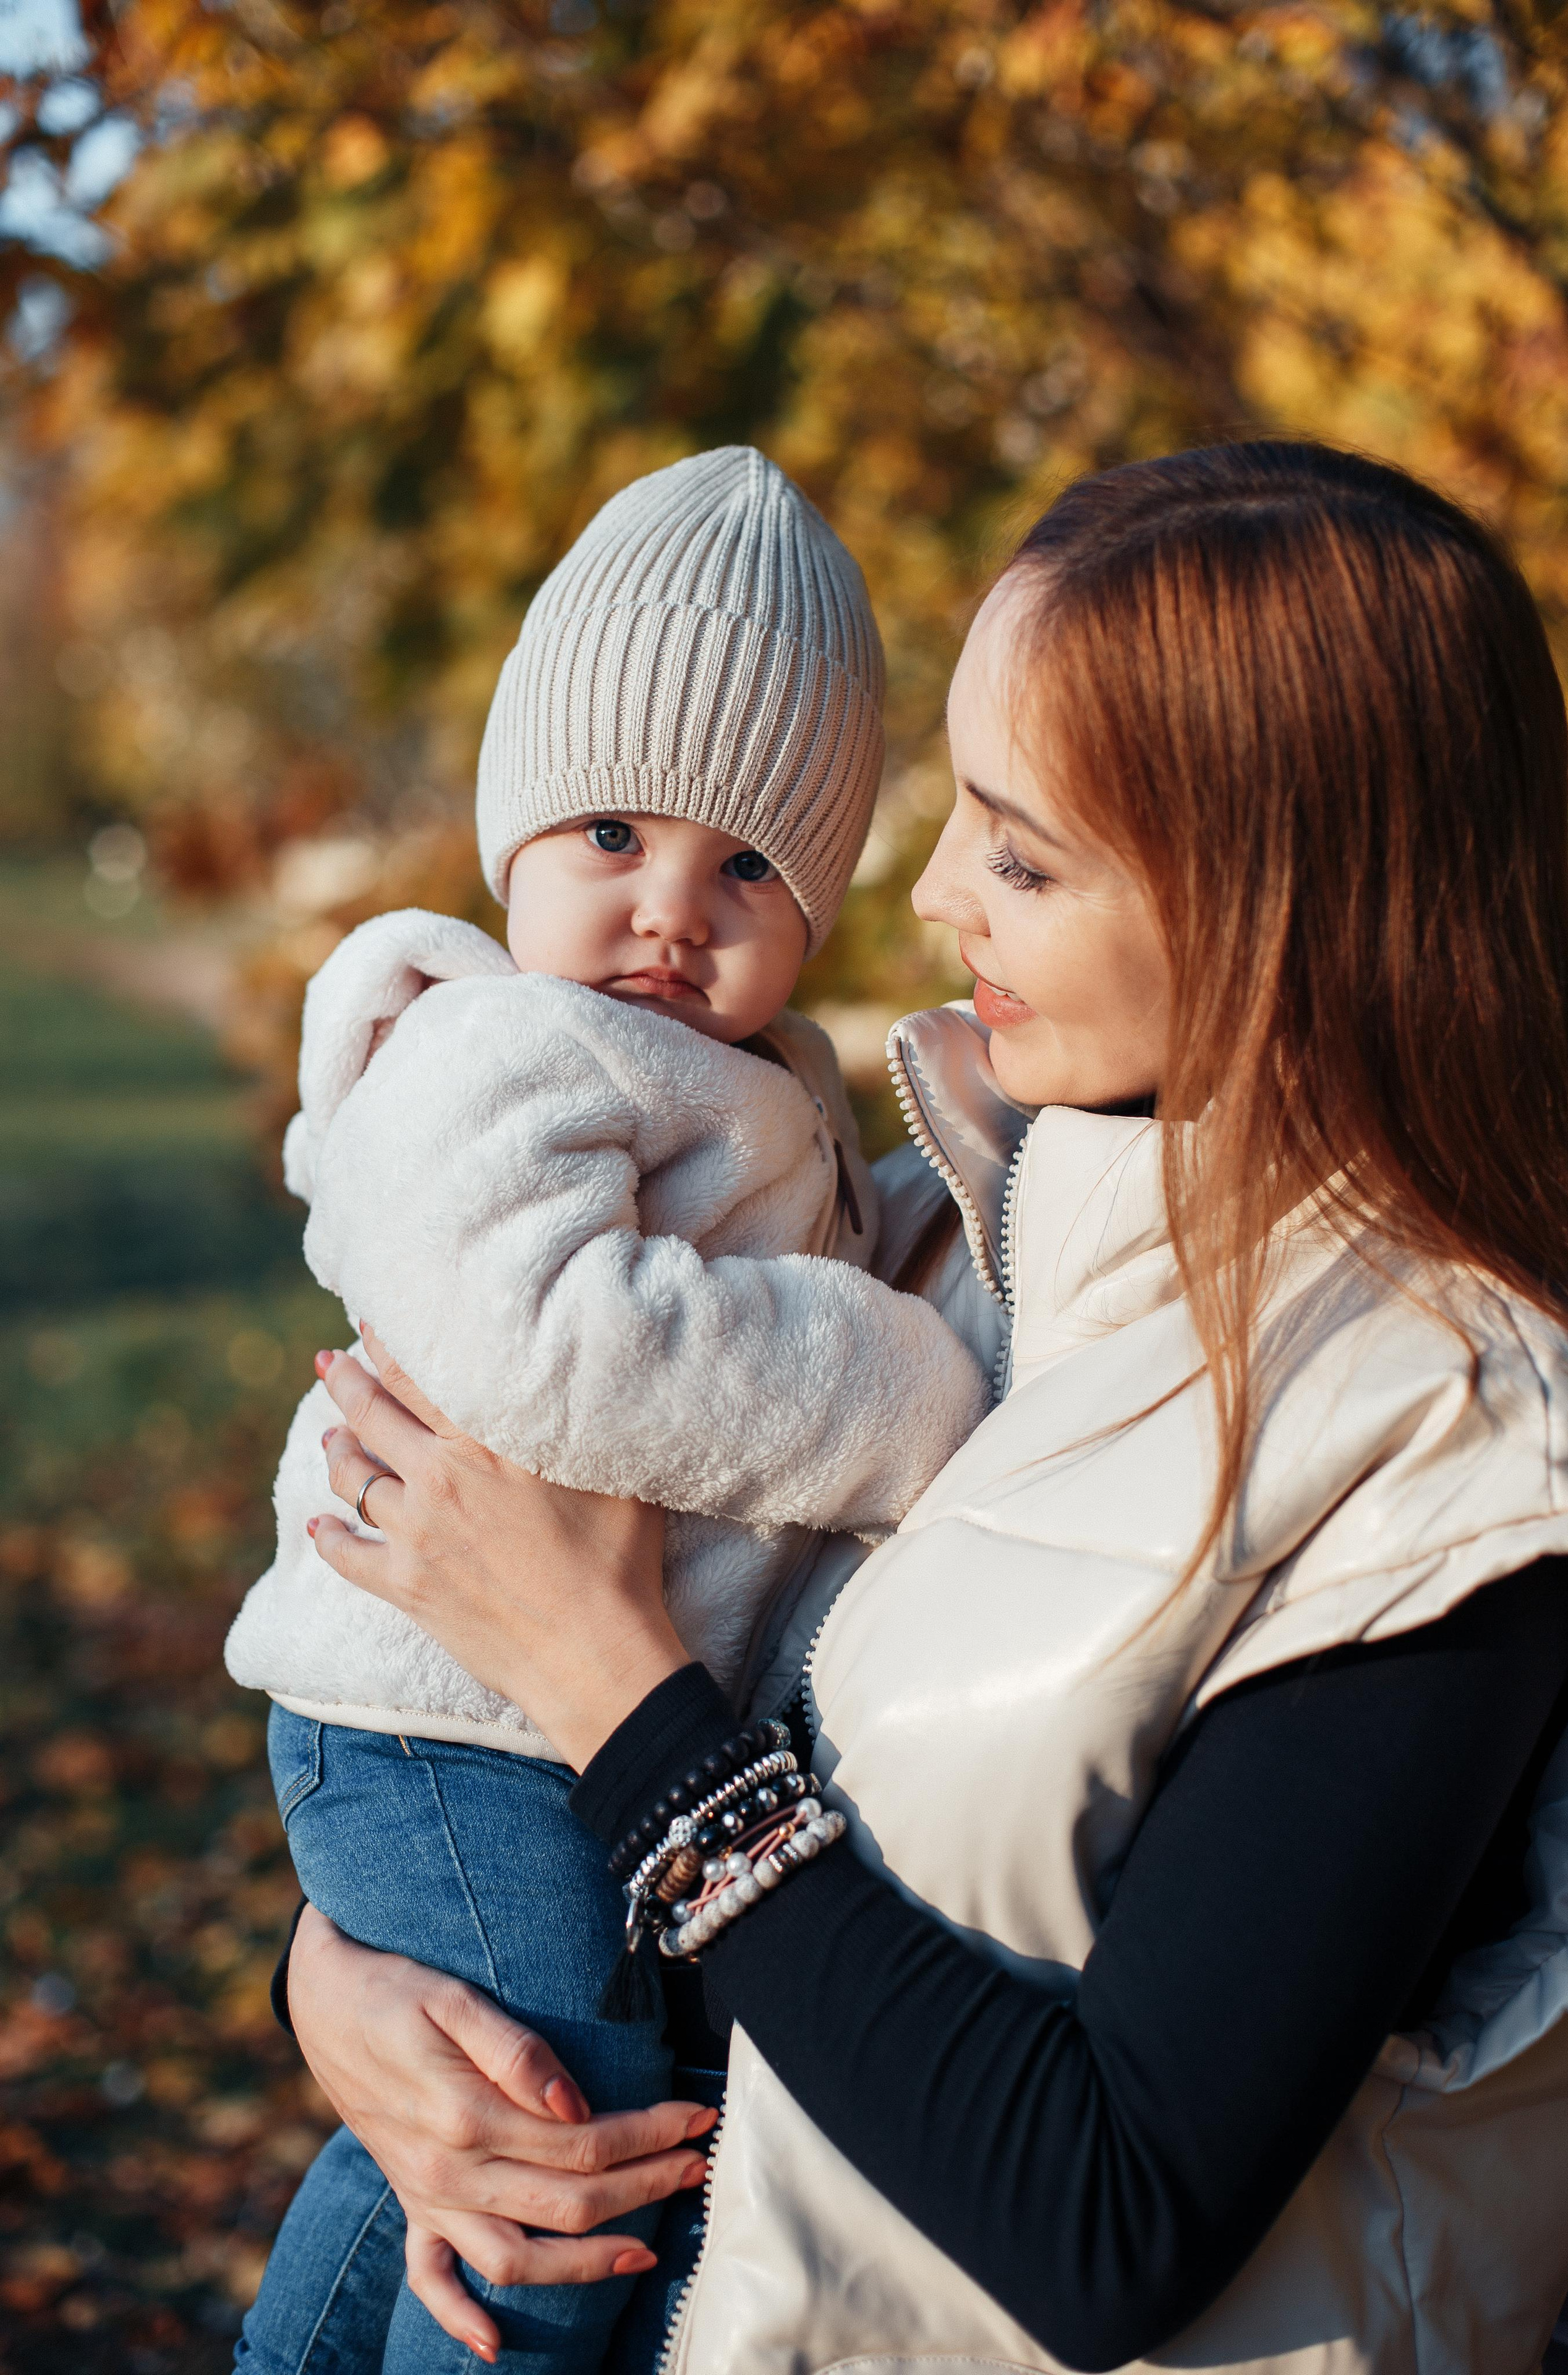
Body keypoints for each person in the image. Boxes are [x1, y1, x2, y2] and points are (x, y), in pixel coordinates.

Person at [288, 443, 1568, 2374]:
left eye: (1025, 849)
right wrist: (367, 1986)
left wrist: (603, 1690)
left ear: (1278, 905)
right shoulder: (1028, 1258)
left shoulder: (1454, 1440)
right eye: (965, 812)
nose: (935, 883)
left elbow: (1113, 2218)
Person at [225, 446, 993, 2375]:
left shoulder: (753, 1081)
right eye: (612, 836)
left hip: (518, 1725)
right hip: (443, 1723)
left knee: (452, 2141)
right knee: (562, 2161)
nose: (670, 907)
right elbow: (538, 1338)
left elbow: (837, 1240)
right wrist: (897, 1390)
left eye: (747, 866)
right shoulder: (505, 1047)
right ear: (510, 841)